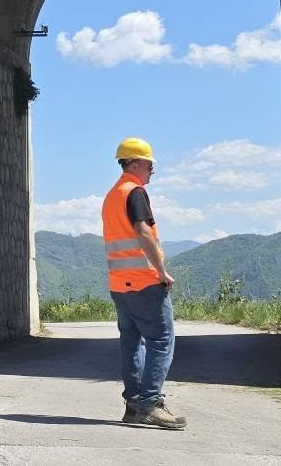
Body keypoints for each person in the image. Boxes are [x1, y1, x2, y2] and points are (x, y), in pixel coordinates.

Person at [102, 136, 182, 430]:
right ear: (135, 164)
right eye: (149, 165)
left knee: (131, 342)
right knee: (161, 340)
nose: (152, 171)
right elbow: (143, 232)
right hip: (144, 282)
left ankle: (134, 405)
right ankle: (149, 404)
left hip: (119, 283)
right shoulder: (134, 192)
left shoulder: (112, 195)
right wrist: (161, 271)